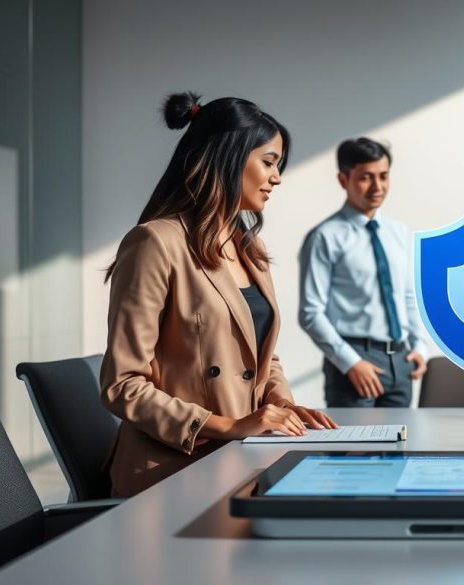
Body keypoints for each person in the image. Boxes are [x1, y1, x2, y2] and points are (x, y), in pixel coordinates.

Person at [101, 92, 338, 497]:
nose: (277, 177)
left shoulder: (250, 250)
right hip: (174, 471)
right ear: (230, 157)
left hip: (243, 457)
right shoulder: (155, 243)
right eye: (269, 162)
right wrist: (229, 426)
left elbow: (261, 358)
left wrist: (283, 408)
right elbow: (122, 384)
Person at [299, 138, 427, 407]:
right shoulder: (325, 237)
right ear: (343, 179)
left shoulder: (398, 232)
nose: (377, 187)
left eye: (383, 176)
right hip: (354, 363)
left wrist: (419, 346)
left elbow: (407, 296)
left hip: (401, 362)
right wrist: (351, 362)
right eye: (366, 177)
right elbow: (310, 312)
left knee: (402, 436)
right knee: (356, 437)